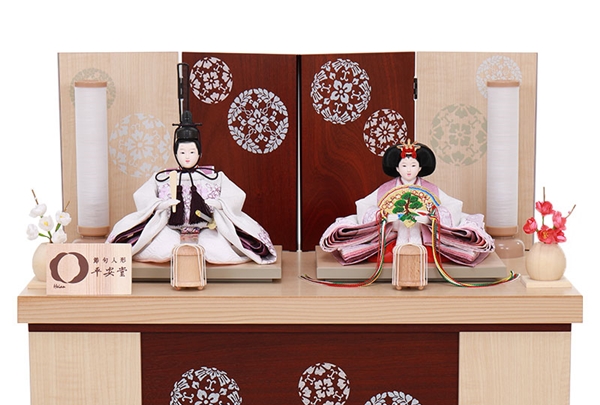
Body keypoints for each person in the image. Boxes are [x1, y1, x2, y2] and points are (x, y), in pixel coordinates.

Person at [107, 110, 277, 265]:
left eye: (191, 152)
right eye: (182, 152)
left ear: (199, 153)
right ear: (175, 153)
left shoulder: (214, 176)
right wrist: (159, 205)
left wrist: (220, 203)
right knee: (163, 249)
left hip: (207, 227)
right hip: (169, 227)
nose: (187, 157)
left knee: (217, 251)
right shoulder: (162, 177)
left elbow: (236, 195)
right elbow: (142, 196)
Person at [319, 141, 494, 266]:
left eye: (413, 165)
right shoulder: (385, 190)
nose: (409, 170)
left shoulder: (430, 189)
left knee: (436, 255)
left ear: (420, 168)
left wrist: (430, 218)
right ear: (397, 168)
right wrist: (385, 216)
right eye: (404, 165)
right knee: (380, 255)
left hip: (423, 234)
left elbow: (454, 205)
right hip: (393, 234)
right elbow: (364, 205)